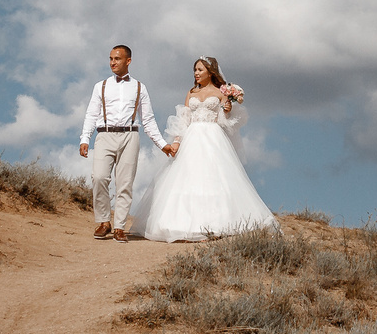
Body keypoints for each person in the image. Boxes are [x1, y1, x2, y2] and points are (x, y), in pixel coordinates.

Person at [134, 56, 276, 242]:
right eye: (195, 70)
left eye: (200, 70)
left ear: (210, 72)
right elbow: (183, 119)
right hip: (192, 137)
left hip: (213, 137)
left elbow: (226, 122)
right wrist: (177, 141)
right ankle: (183, 225)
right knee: (188, 177)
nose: (196, 73)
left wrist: (227, 109)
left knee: (213, 177)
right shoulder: (191, 93)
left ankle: (215, 225)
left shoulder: (220, 92)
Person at [78, 44, 172, 242]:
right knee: (99, 177)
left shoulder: (139, 87)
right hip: (104, 135)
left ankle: (120, 226)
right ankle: (104, 221)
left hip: (130, 136)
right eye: (111, 58)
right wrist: (85, 139)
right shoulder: (100, 86)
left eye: (117, 59)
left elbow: (148, 119)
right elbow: (91, 114)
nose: (113, 62)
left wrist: (162, 144)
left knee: (125, 183)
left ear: (128, 61)